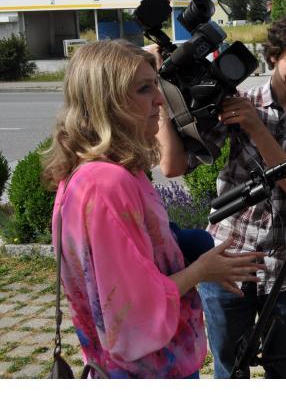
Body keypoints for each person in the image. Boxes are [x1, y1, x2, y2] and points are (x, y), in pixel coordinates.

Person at [44, 40, 265, 378]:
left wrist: (179, 244)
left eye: (156, 86)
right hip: (147, 371)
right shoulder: (107, 184)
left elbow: (125, 265)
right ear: (109, 102)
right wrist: (201, 270)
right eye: (144, 89)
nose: (160, 100)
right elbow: (134, 310)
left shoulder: (95, 170)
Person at [157, 12, 286, 379]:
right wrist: (164, 99)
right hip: (228, 261)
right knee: (229, 372)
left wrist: (258, 129)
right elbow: (175, 166)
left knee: (282, 373)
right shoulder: (239, 99)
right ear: (273, 56)